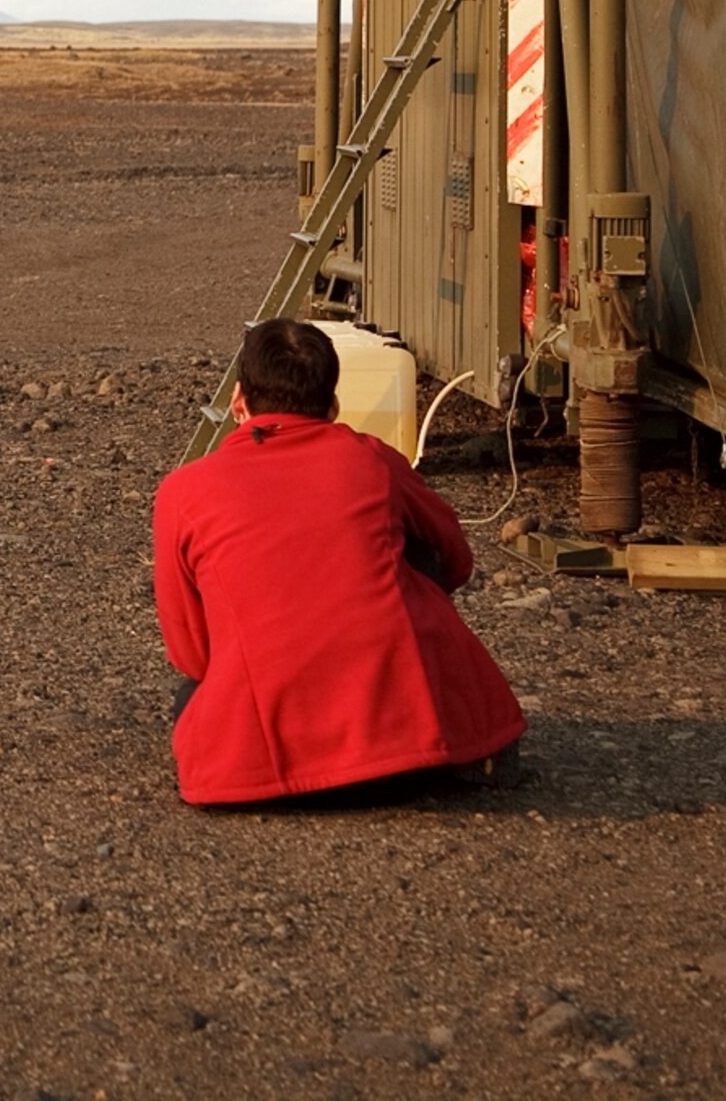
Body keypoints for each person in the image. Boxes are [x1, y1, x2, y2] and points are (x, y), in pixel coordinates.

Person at [151, 319, 524, 805]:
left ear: (238, 401)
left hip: (254, 770)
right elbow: (455, 559)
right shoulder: (371, 459)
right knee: (410, 545)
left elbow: (192, 654)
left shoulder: (184, 490)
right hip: (413, 759)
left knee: (192, 694)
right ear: (333, 406)